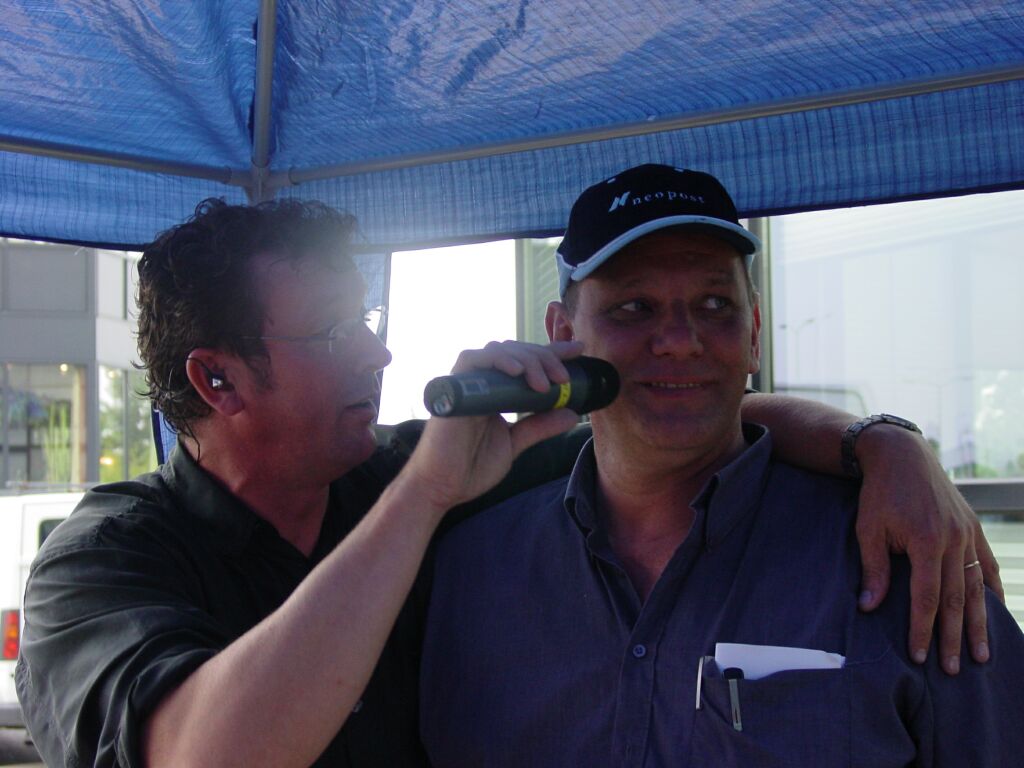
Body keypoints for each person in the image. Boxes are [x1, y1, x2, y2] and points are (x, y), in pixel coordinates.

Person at [14, 195, 1000, 768]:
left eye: (369, 321)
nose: (378, 353)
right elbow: (205, 754)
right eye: (334, 332)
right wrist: (421, 500)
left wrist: (882, 446)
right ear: (217, 380)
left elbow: (685, 416)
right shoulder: (101, 566)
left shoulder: (417, 473)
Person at [419, 164, 1024, 766]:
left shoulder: (908, 562)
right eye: (634, 306)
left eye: (714, 304)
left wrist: (889, 443)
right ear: (561, 331)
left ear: (754, 331)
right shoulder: (469, 571)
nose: (680, 339)